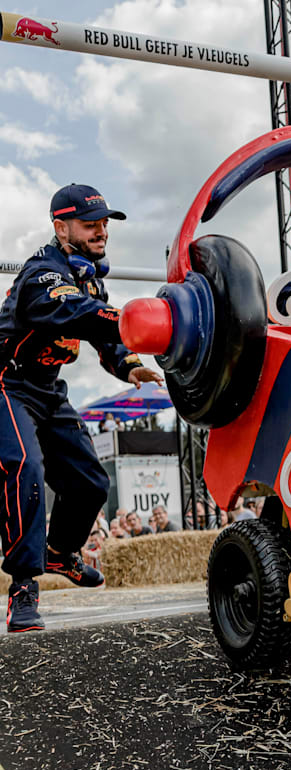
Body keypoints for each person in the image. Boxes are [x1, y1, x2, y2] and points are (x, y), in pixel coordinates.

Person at [0, 182, 162, 632]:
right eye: (90, 224)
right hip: (6, 382)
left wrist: (129, 366)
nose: (102, 231)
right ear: (61, 226)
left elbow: (101, 335)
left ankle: (59, 553)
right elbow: (79, 315)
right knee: (25, 468)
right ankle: (23, 588)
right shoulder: (43, 274)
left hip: (49, 389)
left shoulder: (89, 276)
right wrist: (142, 322)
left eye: (104, 223)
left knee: (91, 482)